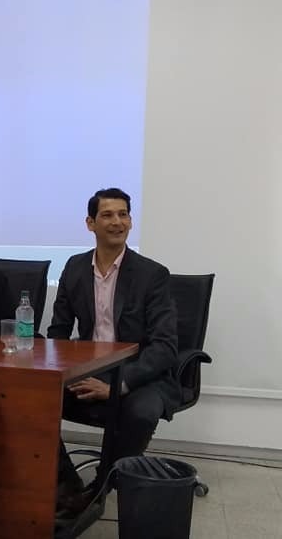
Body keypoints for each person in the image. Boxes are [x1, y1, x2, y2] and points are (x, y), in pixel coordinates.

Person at [47, 188, 178, 518]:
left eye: (123, 214)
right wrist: (63, 372)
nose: (117, 222)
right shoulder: (75, 268)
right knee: (33, 400)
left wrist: (118, 385)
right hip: (89, 369)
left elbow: (164, 346)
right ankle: (67, 485)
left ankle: (101, 486)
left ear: (131, 221)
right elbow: (59, 332)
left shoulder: (152, 275)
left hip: (140, 374)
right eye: (107, 215)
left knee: (140, 412)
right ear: (90, 223)